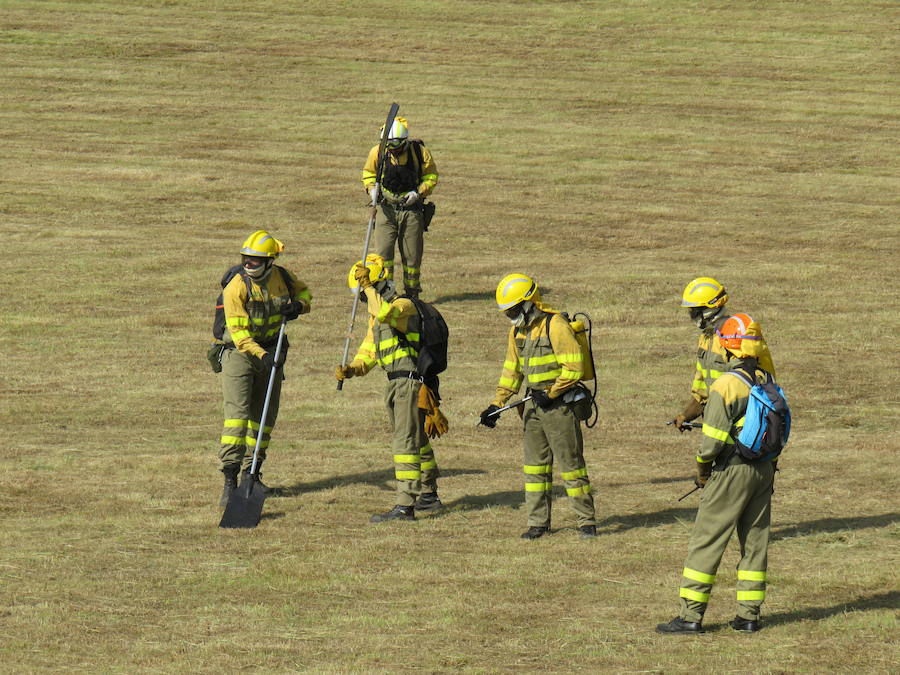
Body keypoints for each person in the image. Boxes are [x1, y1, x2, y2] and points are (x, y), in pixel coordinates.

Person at [657, 313, 777, 634]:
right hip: (764, 470)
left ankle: (690, 616)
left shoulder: (725, 385)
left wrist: (703, 472)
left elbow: (710, 445)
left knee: (706, 541)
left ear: (727, 347)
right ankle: (749, 616)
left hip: (731, 471)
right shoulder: (766, 378)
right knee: (755, 543)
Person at [479, 273, 597, 540]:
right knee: (534, 468)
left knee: (572, 466)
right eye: (507, 312)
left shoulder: (555, 325)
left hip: (560, 407)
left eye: (513, 310)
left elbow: (574, 367)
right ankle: (538, 524)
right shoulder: (516, 332)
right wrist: (496, 404)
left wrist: (552, 393)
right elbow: (512, 371)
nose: (510, 316)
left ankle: (586, 522)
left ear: (529, 303)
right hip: (533, 407)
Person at [334, 254, 443, 522]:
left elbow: (385, 313)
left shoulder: (403, 306)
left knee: (404, 442)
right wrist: (351, 369)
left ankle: (405, 506)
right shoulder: (377, 319)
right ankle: (429, 494)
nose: (364, 301)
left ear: (378, 286)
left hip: (409, 383)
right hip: (396, 384)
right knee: (417, 440)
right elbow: (369, 353)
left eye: (364, 295)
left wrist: (368, 287)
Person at [217, 230, 311, 507]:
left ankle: (253, 474)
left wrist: (299, 306)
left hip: (272, 352)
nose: (248, 263)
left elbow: (306, 293)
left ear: (270, 261)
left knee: (264, 417)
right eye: (245, 258)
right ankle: (230, 480)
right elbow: (239, 335)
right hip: (240, 355)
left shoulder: (283, 278)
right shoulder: (236, 287)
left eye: (255, 260)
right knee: (237, 418)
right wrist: (263, 356)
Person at [671, 277, 775, 431]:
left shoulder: (736, 336)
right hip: (720, 422)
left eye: (695, 310)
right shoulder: (706, 339)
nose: (691, 315)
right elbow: (702, 389)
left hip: (743, 427)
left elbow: (753, 384)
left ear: (709, 309)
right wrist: (686, 415)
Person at [361, 116, 439, 298]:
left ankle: (412, 295)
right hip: (386, 210)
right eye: (389, 147)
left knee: (412, 257)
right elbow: (368, 173)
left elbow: (431, 176)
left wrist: (418, 193)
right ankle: (387, 294)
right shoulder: (377, 152)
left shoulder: (420, 153)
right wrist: (371, 189)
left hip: (411, 212)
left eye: (396, 147)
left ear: (404, 142)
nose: (393, 151)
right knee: (383, 255)